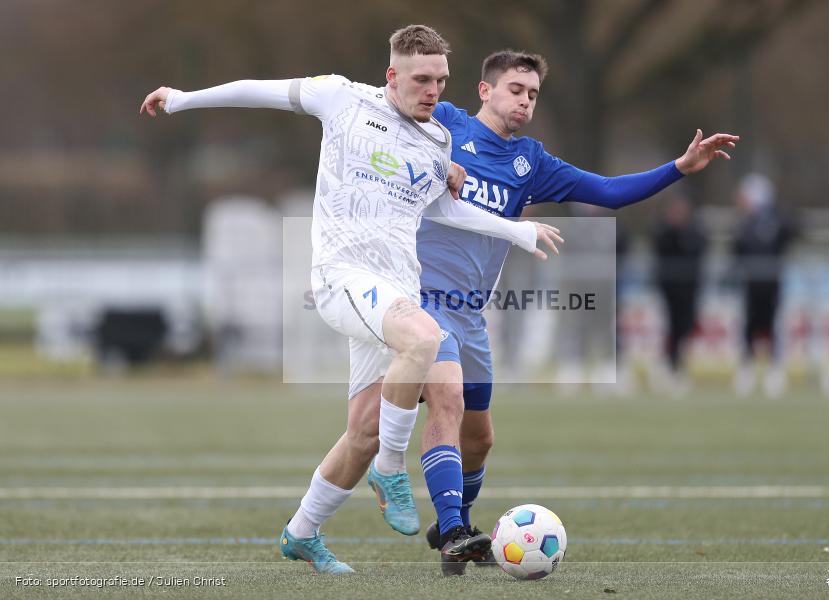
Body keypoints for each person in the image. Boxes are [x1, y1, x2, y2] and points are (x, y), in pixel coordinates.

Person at [139, 26, 562, 574]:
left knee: (362, 429)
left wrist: (516, 232)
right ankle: (392, 469)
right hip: (342, 276)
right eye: (421, 79)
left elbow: (442, 210)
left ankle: (301, 532)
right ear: (392, 76)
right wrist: (182, 99)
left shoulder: (438, 141)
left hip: (395, 288)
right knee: (427, 339)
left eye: (440, 80)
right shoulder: (342, 98)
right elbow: (259, 88)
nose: (432, 91)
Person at [413, 50, 738, 574]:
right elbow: (389, 117)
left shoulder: (531, 163)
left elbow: (607, 192)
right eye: (516, 89)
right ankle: (452, 531)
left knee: (480, 438)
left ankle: (459, 523)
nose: (525, 101)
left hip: (471, 315)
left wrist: (680, 168)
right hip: (419, 300)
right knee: (445, 402)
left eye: (534, 94)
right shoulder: (444, 124)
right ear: (484, 91)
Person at [729, 173, 797, 398]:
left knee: (772, 325)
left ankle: (774, 370)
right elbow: (737, 250)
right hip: (751, 284)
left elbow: (793, 233)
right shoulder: (744, 224)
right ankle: (746, 368)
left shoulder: (775, 220)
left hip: (772, 283)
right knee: (750, 325)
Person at [650, 194, 707, 396]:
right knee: (669, 329)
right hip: (668, 290)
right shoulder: (664, 232)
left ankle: (679, 368)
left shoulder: (695, 232)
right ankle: (666, 367)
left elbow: (698, 252)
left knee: (685, 328)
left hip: (689, 290)